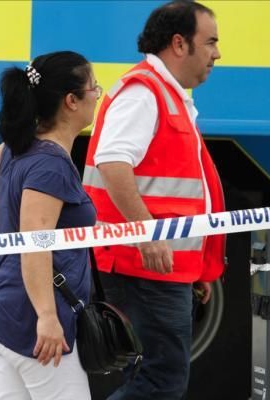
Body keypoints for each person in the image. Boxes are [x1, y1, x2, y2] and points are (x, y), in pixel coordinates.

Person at [82, 1, 225, 399]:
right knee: (161, 381)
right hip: (143, 267)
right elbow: (113, 163)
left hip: (159, 268)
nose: (217, 53)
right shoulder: (144, 92)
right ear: (179, 44)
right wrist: (145, 234)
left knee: (151, 378)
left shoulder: (163, 93)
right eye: (210, 41)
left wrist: (196, 268)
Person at [0, 51, 100, 400]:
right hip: (33, 321)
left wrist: (12, 231)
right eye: (93, 88)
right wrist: (47, 316)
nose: (98, 95)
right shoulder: (50, 163)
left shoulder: (20, 146)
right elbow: (35, 243)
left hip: (2, 311)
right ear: (71, 101)